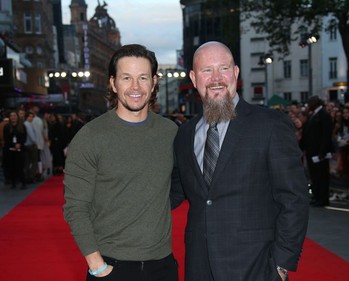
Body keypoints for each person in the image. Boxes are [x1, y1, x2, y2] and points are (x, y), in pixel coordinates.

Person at [170, 41, 309, 281]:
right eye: (206, 70)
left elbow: (294, 197)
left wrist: (282, 262)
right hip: (199, 265)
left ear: (235, 73)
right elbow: (176, 191)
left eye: (223, 68)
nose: (216, 78)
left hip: (255, 265)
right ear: (194, 78)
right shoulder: (185, 134)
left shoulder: (270, 124)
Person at [63, 44, 179, 281]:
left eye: (143, 77)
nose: (135, 87)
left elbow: (180, 183)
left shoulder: (170, 132)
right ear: (114, 83)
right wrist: (97, 265)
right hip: (111, 267)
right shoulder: (90, 137)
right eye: (127, 78)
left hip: (163, 266)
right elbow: (75, 208)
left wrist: (148, 205)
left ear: (154, 82)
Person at [301, 95, 334, 207]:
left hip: (319, 152)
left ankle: (323, 198)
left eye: (310, 102)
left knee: (322, 176)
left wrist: (322, 151)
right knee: (314, 176)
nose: (308, 104)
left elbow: (326, 134)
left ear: (316, 103)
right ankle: (316, 196)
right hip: (311, 151)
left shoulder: (324, 115)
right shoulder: (313, 115)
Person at [3, 111, 27, 189]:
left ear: (17, 117)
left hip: (20, 149)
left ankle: (23, 183)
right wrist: (13, 145)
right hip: (10, 149)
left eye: (14, 115)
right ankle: (13, 184)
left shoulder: (22, 126)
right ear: (9, 117)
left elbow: (24, 137)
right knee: (11, 167)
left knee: (20, 167)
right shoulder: (6, 127)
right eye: (11, 116)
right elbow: (6, 138)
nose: (13, 117)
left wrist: (19, 144)